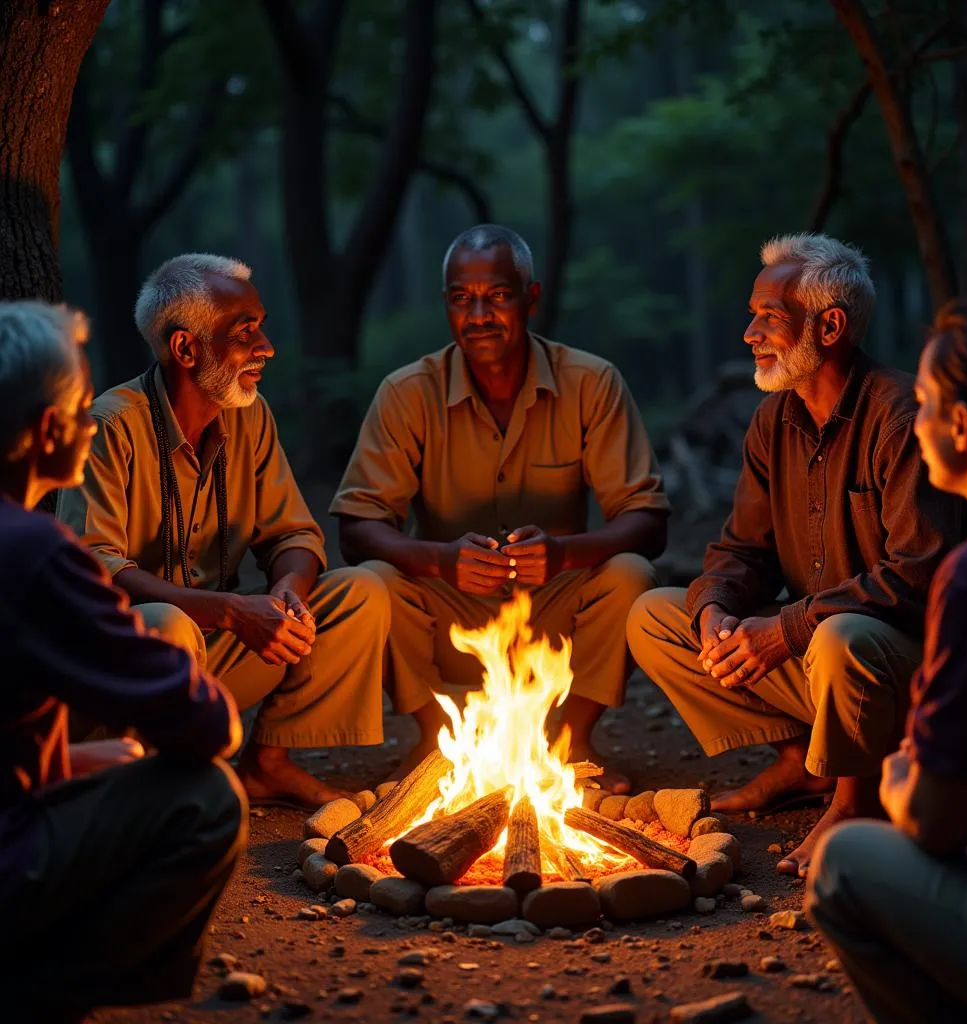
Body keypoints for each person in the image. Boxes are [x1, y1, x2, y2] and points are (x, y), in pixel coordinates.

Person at [627, 232, 961, 874]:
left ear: (830, 326)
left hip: (902, 673)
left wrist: (786, 628)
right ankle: (800, 762)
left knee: (840, 636)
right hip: (821, 660)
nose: (749, 333)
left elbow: (922, 575)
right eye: (753, 315)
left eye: (769, 317)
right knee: (658, 615)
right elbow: (740, 550)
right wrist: (717, 611)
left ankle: (854, 801)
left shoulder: (899, 416)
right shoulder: (772, 420)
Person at [332, 224, 670, 791]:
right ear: (447, 306)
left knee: (632, 575)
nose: (479, 314)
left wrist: (563, 553)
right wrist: (440, 560)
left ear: (530, 298)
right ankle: (435, 738)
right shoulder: (407, 392)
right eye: (462, 298)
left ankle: (576, 739)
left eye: (497, 296)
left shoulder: (591, 383)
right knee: (372, 582)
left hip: (554, 611)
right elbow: (357, 527)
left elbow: (648, 521)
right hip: (449, 612)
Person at [57, 253, 390, 809]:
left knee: (361, 593)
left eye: (261, 326)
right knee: (166, 623)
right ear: (186, 348)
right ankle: (146, 784)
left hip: (216, 654)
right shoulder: (110, 425)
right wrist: (231, 611)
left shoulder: (249, 416)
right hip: (128, 670)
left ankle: (267, 767)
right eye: (246, 331)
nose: (267, 347)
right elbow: (96, 574)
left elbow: (295, 538)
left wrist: (287, 594)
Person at [0, 301, 245, 1023]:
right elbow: (208, 727)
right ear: (48, 432)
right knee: (207, 799)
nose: (91, 424)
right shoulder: (34, 551)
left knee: (106, 756)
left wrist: (69, 763)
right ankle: (35, 997)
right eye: (81, 408)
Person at [806, 297, 967, 1024]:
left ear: (962, 427)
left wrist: (898, 780)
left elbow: (936, 820)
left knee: (844, 866)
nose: (916, 420)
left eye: (926, 404)